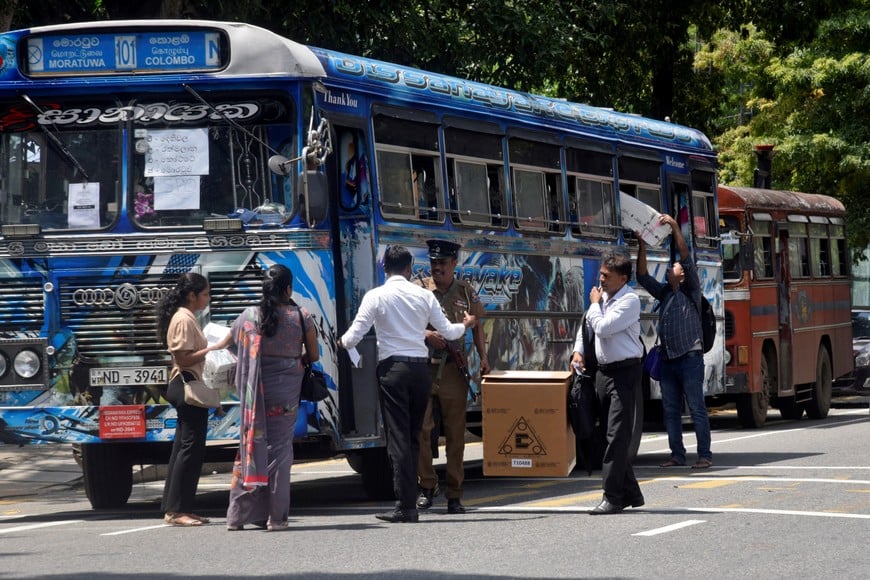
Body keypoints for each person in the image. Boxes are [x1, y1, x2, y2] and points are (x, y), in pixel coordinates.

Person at [338, 245, 476, 523]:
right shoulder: (424, 295)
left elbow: (353, 337)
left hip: (393, 371)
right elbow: (448, 331)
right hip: (420, 372)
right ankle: (411, 501)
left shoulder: (376, 296)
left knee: (399, 439)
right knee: (414, 438)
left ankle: (406, 505)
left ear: (384, 268)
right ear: (409, 269)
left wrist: (342, 342)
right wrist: (467, 325)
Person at [216, 264, 319, 531]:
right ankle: (276, 518)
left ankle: (237, 518)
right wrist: (291, 362)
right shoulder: (301, 315)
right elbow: (314, 355)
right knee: (280, 453)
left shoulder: (249, 315)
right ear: (288, 288)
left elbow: (226, 343)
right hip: (286, 395)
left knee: (249, 449)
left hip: (255, 394)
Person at [415, 240, 490, 514]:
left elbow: (477, 325)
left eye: (443, 263)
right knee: (422, 431)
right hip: (423, 368)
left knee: (456, 435)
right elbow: (406, 323)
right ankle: (426, 485)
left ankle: (454, 494)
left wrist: (483, 358)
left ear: (454, 264)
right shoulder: (419, 289)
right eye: (434, 263)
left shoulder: (465, 291)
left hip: (453, 371)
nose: (437, 268)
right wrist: (425, 335)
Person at [636, 213, 713, 469]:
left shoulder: (691, 290)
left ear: (682, 275)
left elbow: (685, 254)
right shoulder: (665, 292)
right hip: (669, 361)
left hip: (690, 359)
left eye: (675, 267)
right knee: (670, 411)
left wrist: (675, 227)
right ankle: (677, 455)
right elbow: (643, 276)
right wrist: (642, 245)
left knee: (697, 408)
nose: (671, 267)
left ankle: (704, 455)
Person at [571, 252, 645, 515]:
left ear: (622, 278)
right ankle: (631, 493)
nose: (600, 280)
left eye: (606, 276)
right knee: (605, 435)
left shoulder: (630, 300)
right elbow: (587, 328)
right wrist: (578, 351)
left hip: (624, 373)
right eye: (600, 274)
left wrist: (594, 305)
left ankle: (612, 497)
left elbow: (603, 327)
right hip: (602, 373)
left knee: (616, 435)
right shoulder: (601, 299)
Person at [156, 272, 222, 527]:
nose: (208, 298)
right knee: (189, 450)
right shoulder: (184, 319)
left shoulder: (186, 317)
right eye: (205, 293)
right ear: (192, 295)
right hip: (186, 386)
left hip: (183, 385)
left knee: (183, 448)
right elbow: (183, 358)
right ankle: (177, 510)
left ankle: (176, 507)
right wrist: (214, 348)